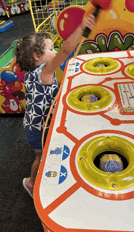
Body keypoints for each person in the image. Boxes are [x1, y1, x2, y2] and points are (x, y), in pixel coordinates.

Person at [15, 14, 96, 198]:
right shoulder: (45, 71)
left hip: (34, 125)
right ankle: (31, 184)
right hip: (38, 129)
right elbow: (66, 50)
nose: (56, 50)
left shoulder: (31, 72)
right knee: (41, 158)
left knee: (43, 156)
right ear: (37, 56)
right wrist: (82, 26)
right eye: (51, 48)